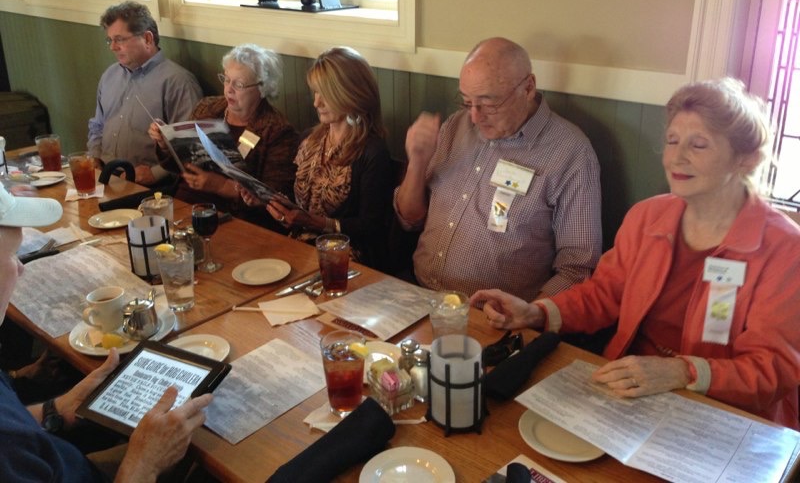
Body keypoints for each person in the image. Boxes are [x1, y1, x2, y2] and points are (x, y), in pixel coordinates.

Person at [472, 78, 800, 429]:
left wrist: (681, 372)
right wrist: (535, 312)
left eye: (699, 144)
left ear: (745, 159)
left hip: (725, 416)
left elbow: (772, 368)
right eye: (672, 141)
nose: (677, 156)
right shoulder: (648, 217)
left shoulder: (785, 249)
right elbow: (603, 295)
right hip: (628, 389)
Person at [0, 185, 214, 481]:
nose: (21, 269)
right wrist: (144, 463)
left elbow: (14, 424)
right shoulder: (6, 452)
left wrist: (58, 409)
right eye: (13, 255)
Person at [394, 37, 602, 301]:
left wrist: (528, 317)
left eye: (489, 103)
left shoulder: (570, 153)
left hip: (490, 318)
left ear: (528, 88)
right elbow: (408, 219)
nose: (475, 117)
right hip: (418, 291)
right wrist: (417, 162)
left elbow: (578, 270)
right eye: (467, 102)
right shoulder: (455, 127)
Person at [242, 46, 393, 268]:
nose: (316, 103)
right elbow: (300, 206)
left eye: (326, 94)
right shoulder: (309, 140)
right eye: (315, 92)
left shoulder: (372, 151)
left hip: (347, 259)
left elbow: (371, 228)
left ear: (351, 93)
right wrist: (266, 201)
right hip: (299, 246)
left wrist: (315, 223)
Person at [149, 43, 298, 224]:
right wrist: (166, 144)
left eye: (239, 84)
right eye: (226, 79)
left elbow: (273, 198)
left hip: (234, 219)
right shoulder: (206, 108)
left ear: (262, 88)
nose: (229, 89)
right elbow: (178, 165)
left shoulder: (278, 131)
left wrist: (219, 186)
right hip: (184, 204)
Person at [88, 1, 202, 186]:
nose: (113, 47)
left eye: (120, 39)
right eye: (110, 40)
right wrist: (94, 157)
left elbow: (191, 147)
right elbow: (97, 126)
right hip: (104, 175)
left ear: (148, 39)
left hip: (149, 185)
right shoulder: (110, 75)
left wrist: (155, 174)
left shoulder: (178, 82)